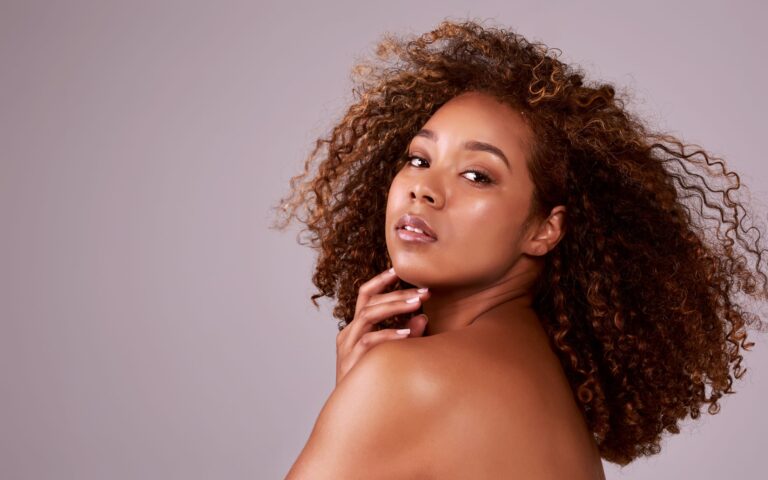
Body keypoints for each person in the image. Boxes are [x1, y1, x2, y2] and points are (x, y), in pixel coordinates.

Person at [271, 18, 768, 479]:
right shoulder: (545, 388)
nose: (424, 189)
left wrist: (361, 398)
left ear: (545, 230)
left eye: (476, 175)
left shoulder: (410, 380)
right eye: (419, 159)